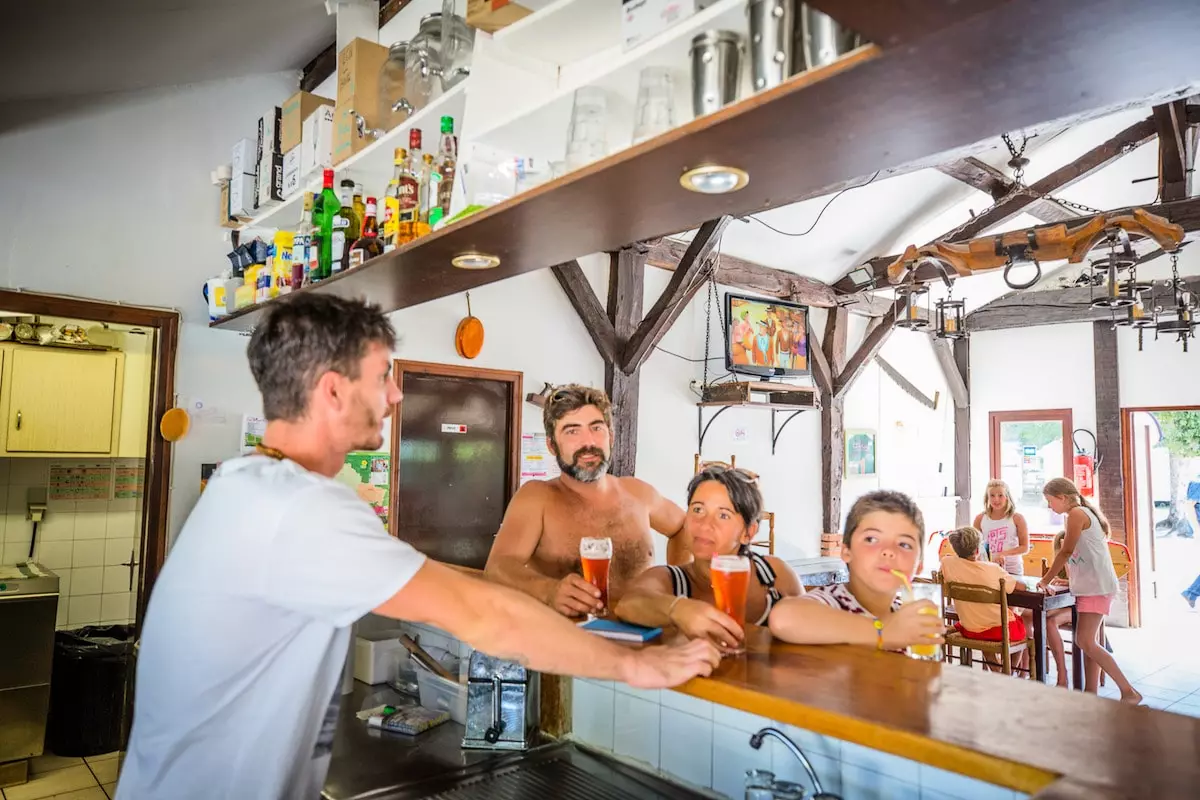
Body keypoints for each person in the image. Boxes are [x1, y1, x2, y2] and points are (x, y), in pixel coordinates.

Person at [116, 296, 719, 800]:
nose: (397, 395)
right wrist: (637, 665)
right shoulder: (301, 509)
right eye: (383, 376)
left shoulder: (246, 483)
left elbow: (456, 591)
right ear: (332, 391)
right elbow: (483, 613)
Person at [485, 385, 690, 618]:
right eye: (572, 431)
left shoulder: (638, 492)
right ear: (552, 445)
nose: (588, 442)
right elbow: (498, 567)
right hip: (569, 636)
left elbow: (684, 527)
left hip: (644, 635)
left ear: (611, 437)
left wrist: (678, 586)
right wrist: (549, 590)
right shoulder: (536, 497)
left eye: (596, 428)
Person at [615, 465, 804, 649]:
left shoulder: (774, 575)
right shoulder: (671, 580)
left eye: (723, 515)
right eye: (698, 509)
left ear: (748, 533)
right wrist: (679, 609)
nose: (704, 524)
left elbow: (812, 624)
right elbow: (628, 604)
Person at [767, 490, 945, 652]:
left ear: (919, 565)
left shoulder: (909, 619)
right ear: (846, 552)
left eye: (904, 544)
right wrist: (882, 632)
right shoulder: (832, 602)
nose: (888, 551)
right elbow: (783, 618)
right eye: (871, 539)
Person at [1037, 477, 1141, 704]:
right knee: (1088, 642)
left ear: (1062, 497)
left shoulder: (1077, 514)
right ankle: (1091, 693)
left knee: (1085, 641)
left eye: (1050, 501)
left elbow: (1066, 552)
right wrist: (1068, 582)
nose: (1049, 506)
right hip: (1091, 587)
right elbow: (1079, 558)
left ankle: (1128, 691)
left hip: (1097, 587)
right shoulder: (1078, 513)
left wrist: (1045, 580)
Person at [939, 526, 1028, 672]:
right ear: (977, 550)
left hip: (970, 627)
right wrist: (1003, 571)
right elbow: (1021, 587)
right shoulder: (993, 569)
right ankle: (1008, 673)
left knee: (983, 626)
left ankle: (997, 673)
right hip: (998, 630)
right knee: (1021, 630)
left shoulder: (947, 563)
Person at [973, 479, 1029, 576]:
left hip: (1012, 570)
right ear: (987, 497)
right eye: (992, 495)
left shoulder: (1017, 518)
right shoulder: (979, 519)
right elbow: (974, 545)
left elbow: (1024, 547)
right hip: (987, 568)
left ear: (1007, 497)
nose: (996, 499)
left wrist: (1003, 554)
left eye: (1000, 495)